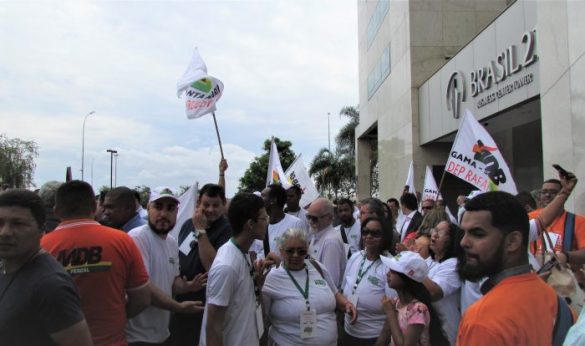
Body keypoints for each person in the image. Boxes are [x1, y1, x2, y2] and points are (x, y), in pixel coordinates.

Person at [42, 180, 151, 346]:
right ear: (94, 206)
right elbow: (142, 299)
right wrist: (116, 317)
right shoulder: (122, 241)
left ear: (56, 210)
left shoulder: (42, 247)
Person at [457, 191, 560, 345]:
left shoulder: (482, 320)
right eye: (463, 233)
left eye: (477, 234)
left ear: (513, 241)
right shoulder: (556, 301)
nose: (463, 242)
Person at [0, 189, 92, 346]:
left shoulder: (50, 285)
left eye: (18, 224)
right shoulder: (6, 266)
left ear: (41, 230)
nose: (5, 232)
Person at [126, 187, 205, 345]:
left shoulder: (171, 243)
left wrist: (188, 286)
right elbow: (145, 287)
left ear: (177, 212)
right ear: (148, 208)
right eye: (158, 207)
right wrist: (178, 307)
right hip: (136, 336)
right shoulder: (138, 237)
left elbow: (172, 282)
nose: (163, 214)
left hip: (161, 334)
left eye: (170, 208)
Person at [262, 228, 358, 346]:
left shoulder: (317, 267)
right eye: (290, 251)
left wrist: (346, 304)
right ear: (281, 251)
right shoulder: (272, 277)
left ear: (307, 250)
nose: (296, 255)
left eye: (301, 251)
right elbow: (262, 313)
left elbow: (335, 293)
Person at [167, 183, 232, 346]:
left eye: (216, 205)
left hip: (204, 307)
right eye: (206, 205)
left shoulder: (228, 230)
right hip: (181, 302)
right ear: (198, 204)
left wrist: (201, 231)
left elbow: (213, 266)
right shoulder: (188, 224)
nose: (210, 210)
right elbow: (180, 256)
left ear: (223, 205)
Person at [200, 193, 268, 346]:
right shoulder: (227, 266)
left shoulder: (242, 254)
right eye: (264, 219)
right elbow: (213, 327)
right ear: (250, 224)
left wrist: (257, 283)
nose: (267, 223)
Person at [341, 217, 396, 345]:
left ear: (385, 236)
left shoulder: (390, 265)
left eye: (375, 233)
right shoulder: (355, 257)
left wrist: (382, 341)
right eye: (365, 232)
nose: (369, 236)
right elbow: (344, 289)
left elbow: (393, 311)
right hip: (348, 332)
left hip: (374, 337)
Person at [377, 251, 448, 346]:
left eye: (393, 271)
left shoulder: (418, 310)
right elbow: (385, 335)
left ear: (407, 279)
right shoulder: (396, 302)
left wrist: (391, 314)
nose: (388, 274)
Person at [423, 221, 463, 345]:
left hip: (445, 334)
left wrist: (413, 269)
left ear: (451, 240)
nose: (434, 235)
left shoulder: (453, 264)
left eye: (440, 233)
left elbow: (434, 292)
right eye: (434, 230)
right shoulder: (430, 261)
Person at [251, 184, 306, 261]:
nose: (259, 199)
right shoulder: (260, 224)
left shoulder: (296, 224)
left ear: (273, 200)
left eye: (263, 196)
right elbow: (255, 252)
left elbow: (301, 255)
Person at [307, 197, 347, 288]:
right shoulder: (317, 233)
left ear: (329, 218)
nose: (310, 221)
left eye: (314, 218)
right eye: (308, 217)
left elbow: (331, 282)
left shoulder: (331, 241)